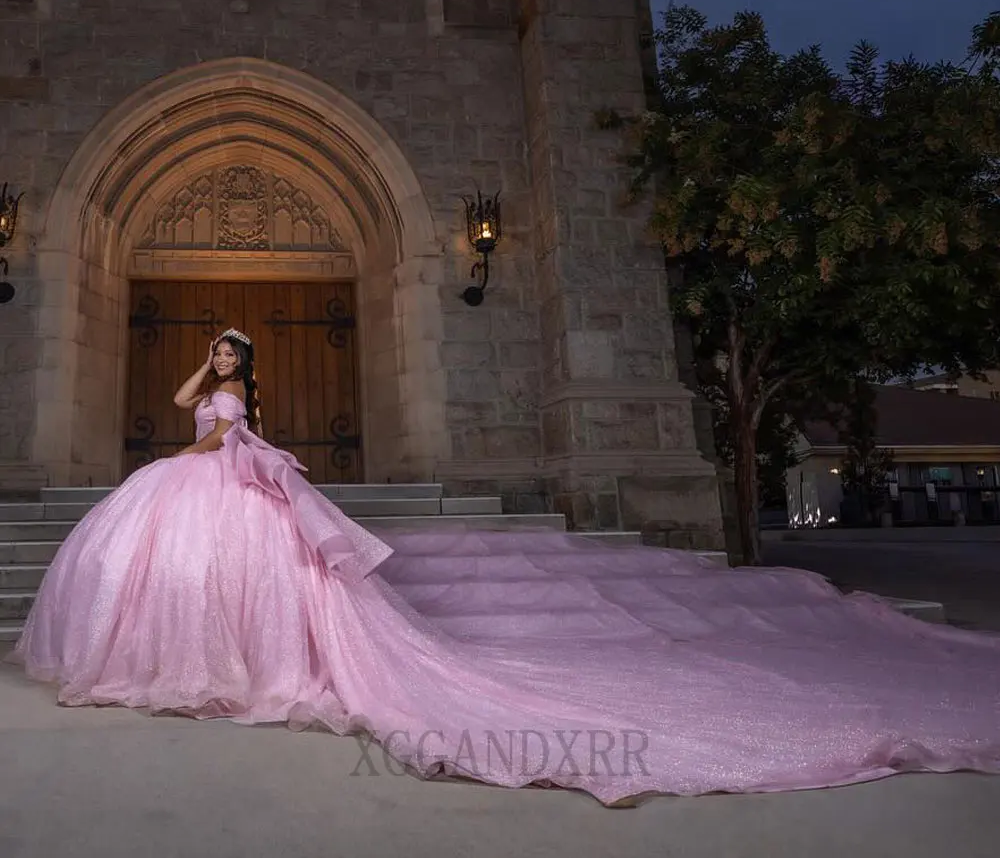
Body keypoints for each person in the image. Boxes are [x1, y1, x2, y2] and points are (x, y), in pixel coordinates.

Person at [8, 329, 1000, 806]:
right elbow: (184, 396)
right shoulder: (206, 384)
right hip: (186, 483)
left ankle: (233, 666)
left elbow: (232, 442)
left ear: (244, 366)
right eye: (220, 355)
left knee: (243, 582)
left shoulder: (239, 414)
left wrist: (224, 439)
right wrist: (198, 370)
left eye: (231, 356)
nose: (221, 366)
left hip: (211, 484)